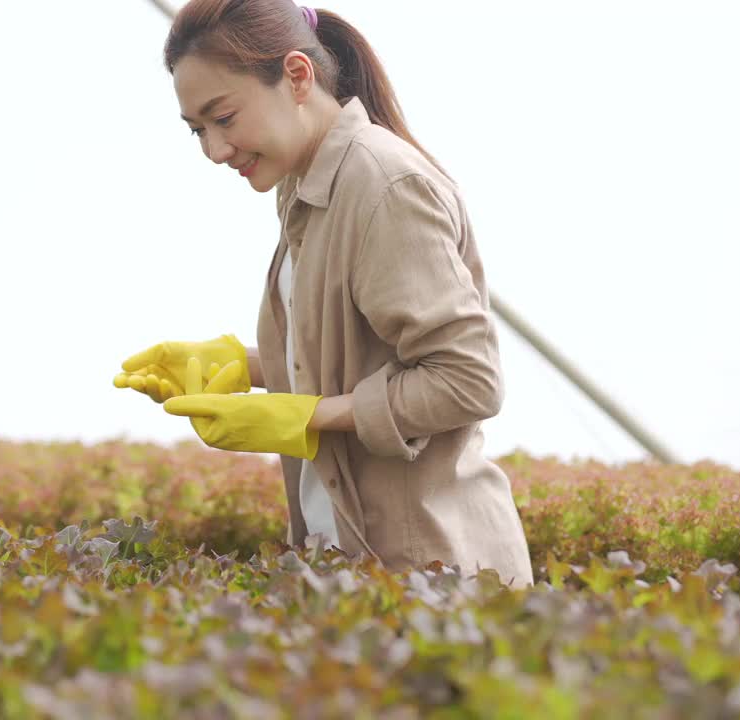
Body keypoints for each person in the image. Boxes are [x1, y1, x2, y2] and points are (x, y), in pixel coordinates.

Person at [113, 0, 534, 589]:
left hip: (437, 579)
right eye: (197, 131)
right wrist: (244, 367)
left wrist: (308, 417)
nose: (214, 150)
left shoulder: (383, 184)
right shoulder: (303, 186)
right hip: (358, 572)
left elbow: (466, 379)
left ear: (297, 76)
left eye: (224, 117)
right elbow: (357, 354)